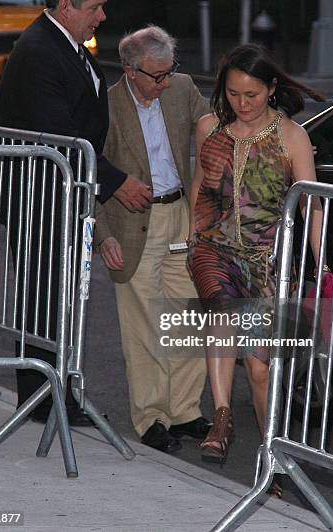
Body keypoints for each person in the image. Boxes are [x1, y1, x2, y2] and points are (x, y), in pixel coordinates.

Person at [0, 0, 152, 426]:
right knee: (44, 299)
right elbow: (56, 135)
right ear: (66, 6)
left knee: (58, 298)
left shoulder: (65, 44)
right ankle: (43, 401)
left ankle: (54, 392)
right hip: (38, 194)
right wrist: (117, 182)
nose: (102, 16)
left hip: (59, 191)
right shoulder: (41, 50)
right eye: (95, 7)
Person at [187, 43, 325, 494]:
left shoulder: (292, 136)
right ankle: (222, 416)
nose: (241, 104)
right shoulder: (209, 126)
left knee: (261, 369)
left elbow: (311, 207)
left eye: (251, 94)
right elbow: (198, 189)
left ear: (271, 89)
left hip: (264, 261)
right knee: (222, 312)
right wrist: (193, 238)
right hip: (214, 250)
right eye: (232, 94)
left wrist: (322, 264)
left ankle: (270, 460)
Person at [95, 26, 210, 453]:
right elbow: (90, 173)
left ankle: (185, 411)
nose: (164, 83)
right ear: (130, 71)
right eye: (155, 76)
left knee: (187, 315)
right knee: (144, 324)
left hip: (180, 214)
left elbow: (209, 122)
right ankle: (152, 418)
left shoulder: (180, 88)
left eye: (169, 72)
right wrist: (101, 235)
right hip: (130, 222)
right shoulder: (105, 106)